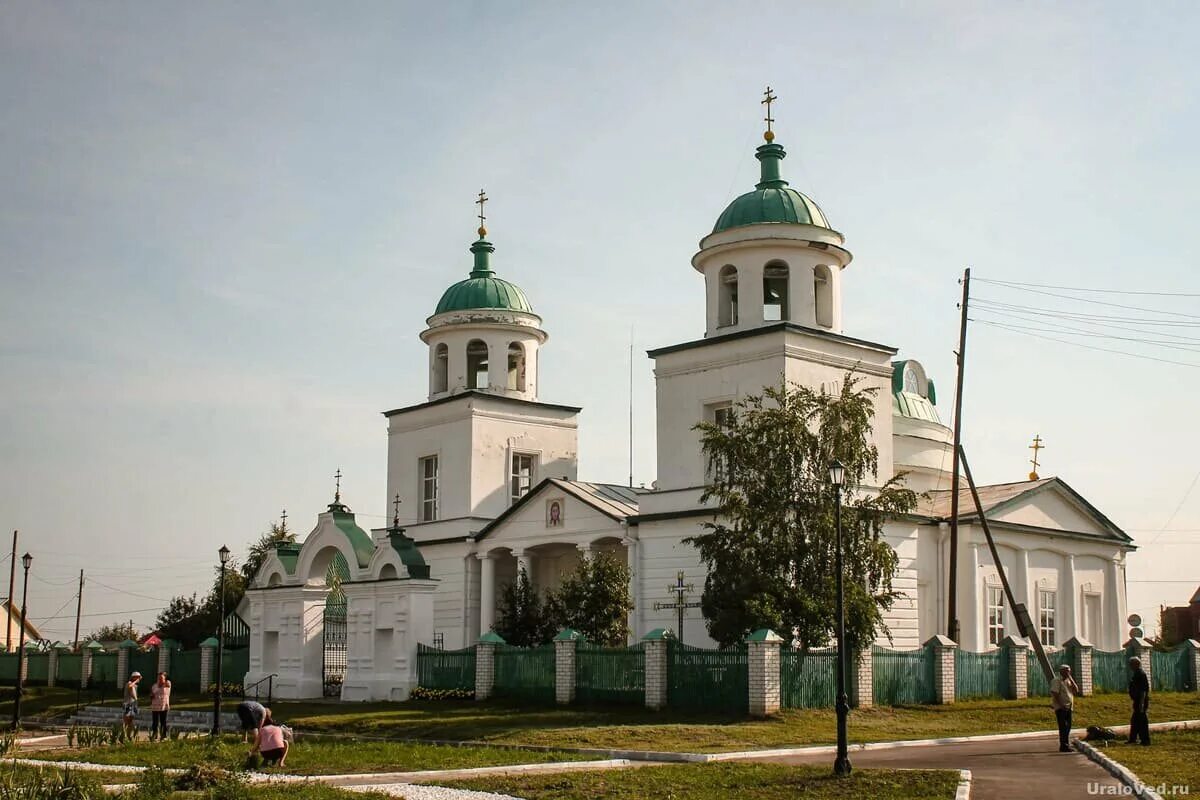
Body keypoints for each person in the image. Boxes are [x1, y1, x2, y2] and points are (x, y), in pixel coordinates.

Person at [1049, 663, 1080, 752]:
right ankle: (1064, 746)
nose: (1068, 673)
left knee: (1068, 726)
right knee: (1063, 727)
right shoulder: (1056, 681)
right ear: (1061, 672)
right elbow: (1055, 694)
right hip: (1061, 708)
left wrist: (1071, 679)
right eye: (1066, 671)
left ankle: (1065, 744)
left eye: (1069, 671)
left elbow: (1076, 690)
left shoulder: (1068, 681)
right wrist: (1061, 705)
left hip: (1069, 707)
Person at [1127, 657, 1151, 745]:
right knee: (1135, 720)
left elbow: (1143, 690)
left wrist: (1141, 703)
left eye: (1131, 664)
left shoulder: (1141, 674)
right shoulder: (1136, 673)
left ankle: (1145, 740)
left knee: (1142, 721)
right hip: (1137, 701)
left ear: (1136, 664)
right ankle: (1133, 739)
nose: (1130, 666)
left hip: (1141, 701)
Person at [149, 671, 171, 741]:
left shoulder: (167, 683)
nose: (159, 679)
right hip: (155, 706)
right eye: (158, 677)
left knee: (163, 721)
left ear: (165, 678)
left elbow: (166, 685)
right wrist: (151, 696)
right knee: (155, 722)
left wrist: (161, 683)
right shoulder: (154, 685)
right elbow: (152, 694)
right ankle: (154, 735)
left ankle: (163, 736)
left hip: (164, 705)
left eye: (161, 677)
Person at [122, 671, 142, 739]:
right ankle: (123, 735)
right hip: (127, 704)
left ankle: (129, 735)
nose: (139, 679)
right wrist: (136, 681)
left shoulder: (135, 685)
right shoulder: (129, 683)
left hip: (133, 704)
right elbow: (130, 686)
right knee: (126, 720)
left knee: (131, 721)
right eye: (138, 677)